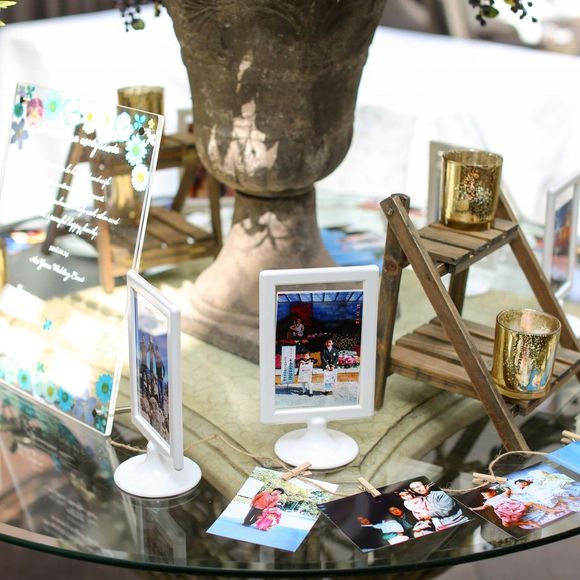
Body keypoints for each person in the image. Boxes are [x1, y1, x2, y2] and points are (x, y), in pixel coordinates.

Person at [154, 344, 166, 409]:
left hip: (161, 378)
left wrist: (163, 375)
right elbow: (155, 354)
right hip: (158, 378)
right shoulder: (156, 361)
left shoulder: (160, 361)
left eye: (158, 351)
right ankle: (160, 404)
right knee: (159, 391)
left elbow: (164, 368)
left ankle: (162, 405)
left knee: (161, 392)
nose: (157, 353)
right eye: (157, 351)